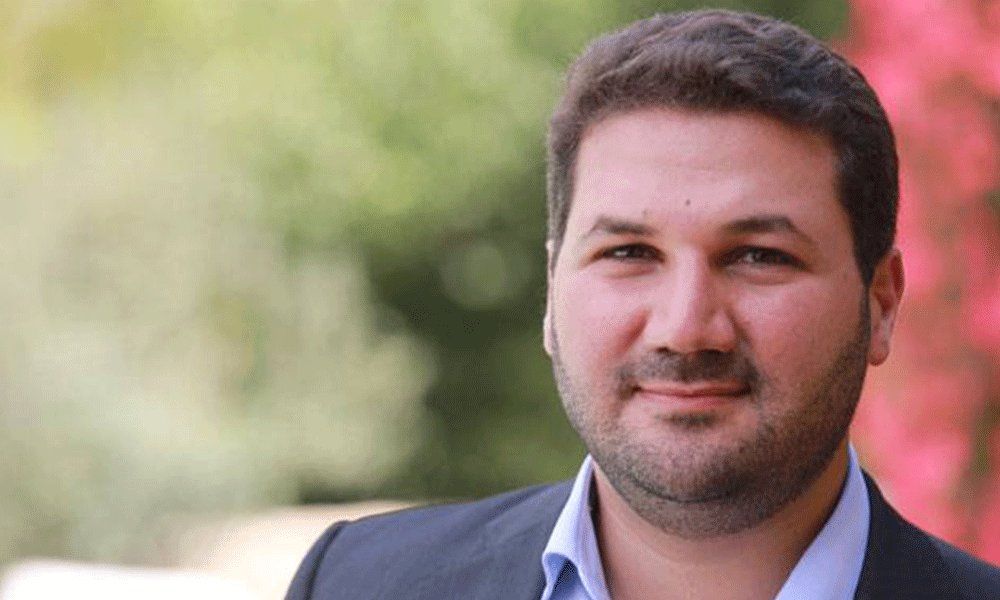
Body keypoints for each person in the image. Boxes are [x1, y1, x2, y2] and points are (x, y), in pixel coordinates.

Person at [286, 9, 1000, 600]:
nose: (685, 329)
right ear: (552, 290)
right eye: (628, 253)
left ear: (881, 302)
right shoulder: (354, 584)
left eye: (759, 256)